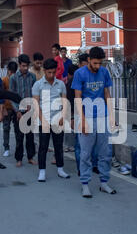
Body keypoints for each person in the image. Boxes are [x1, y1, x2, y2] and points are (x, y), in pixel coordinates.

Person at [72, 46, 116, 198]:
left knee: (105, 153)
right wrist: (82, 120)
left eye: (100, 63)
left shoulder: (104, 72)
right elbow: (77, 97)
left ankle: (104, 183)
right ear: (89, 60)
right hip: (86, 117)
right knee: (85, 154)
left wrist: (111, 116)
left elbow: (107, 93)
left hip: (102, 116)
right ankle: (85, 184)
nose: (98, 66)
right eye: (95, 63)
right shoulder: (79, 73)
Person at [32, 58, 70, 182]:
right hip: (44, 120)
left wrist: (62, 117)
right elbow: (36, 104)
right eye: (49, 72)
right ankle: (42, 171)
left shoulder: (61, 84)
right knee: (43, 147)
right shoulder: (38, 85)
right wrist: (43, 121)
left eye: (53, 72)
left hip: (57, 120)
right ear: (44, 71)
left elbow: (64, 101)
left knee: (58, 146)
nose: (51, 75)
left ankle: (60, 169)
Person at [10, 54, 37, 167]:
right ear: (19, 65)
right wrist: (17, 111)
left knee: (30, 136)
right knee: (19, 136)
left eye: (27, 66)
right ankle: (19, 158)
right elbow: (12, 96)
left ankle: (30, 157)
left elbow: (35, 93)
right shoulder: (13, 78)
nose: (25, 68)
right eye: (23, 66)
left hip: (30, 110)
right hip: (18, 112)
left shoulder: (32, 77)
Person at [2, 61, 18, 157]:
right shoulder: (4, 80)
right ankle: (6, 148)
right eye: (10, 72)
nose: (11, 74)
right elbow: (1, 95)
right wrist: (3, 108)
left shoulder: (17, 80)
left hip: (16, 108)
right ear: (8, 70)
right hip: (7, 107)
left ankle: (18, 148)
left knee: (18, 129)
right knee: (6, 128)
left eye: (13, 72)